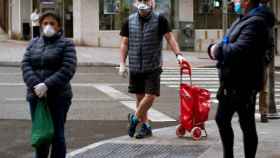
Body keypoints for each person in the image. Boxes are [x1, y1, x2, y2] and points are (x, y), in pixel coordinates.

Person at [208, 0, 275, 157]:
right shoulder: (243, 18)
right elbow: (230, 41)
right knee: (223, 119)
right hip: (231, 81)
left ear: (246, 1)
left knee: (246, 124)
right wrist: (218, 48)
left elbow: (239, 49)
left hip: (243, 82)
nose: (234, 1)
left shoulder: (257, 22)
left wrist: (216, 50)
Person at [119, 0, 188, 139]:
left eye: (148, 0)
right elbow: (125, 43)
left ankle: (134, 120)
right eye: (142, 0)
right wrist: (122, 63)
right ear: (136, 3)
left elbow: (170, 38)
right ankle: (146, 127)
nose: (146, 3)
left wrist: (179, 55)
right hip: (135, 65)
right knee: (139, 98)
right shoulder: (129, 20)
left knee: (150, 96)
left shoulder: (160, 19)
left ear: (153, 3)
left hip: (153, 65)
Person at [22, 11, 77, 158]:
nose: (48, 26)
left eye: (52, 23)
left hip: (59, 97)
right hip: (36, 97)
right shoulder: (33, 43)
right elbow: (25, 65)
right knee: (41, 133)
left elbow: (68, 68)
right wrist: (36, 85)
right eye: (45, 23)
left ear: (59, 26)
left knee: (57, 135)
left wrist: (47, 85)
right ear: (40, 25)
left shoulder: (67, 44)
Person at [258, 0, 275, 123]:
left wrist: (267, 58)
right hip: (256, 59)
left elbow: (270, 43)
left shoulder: (266, 26)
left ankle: (263, 112)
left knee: (262, 87)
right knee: (260, 87)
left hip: (261, 59)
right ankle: (262, 112)